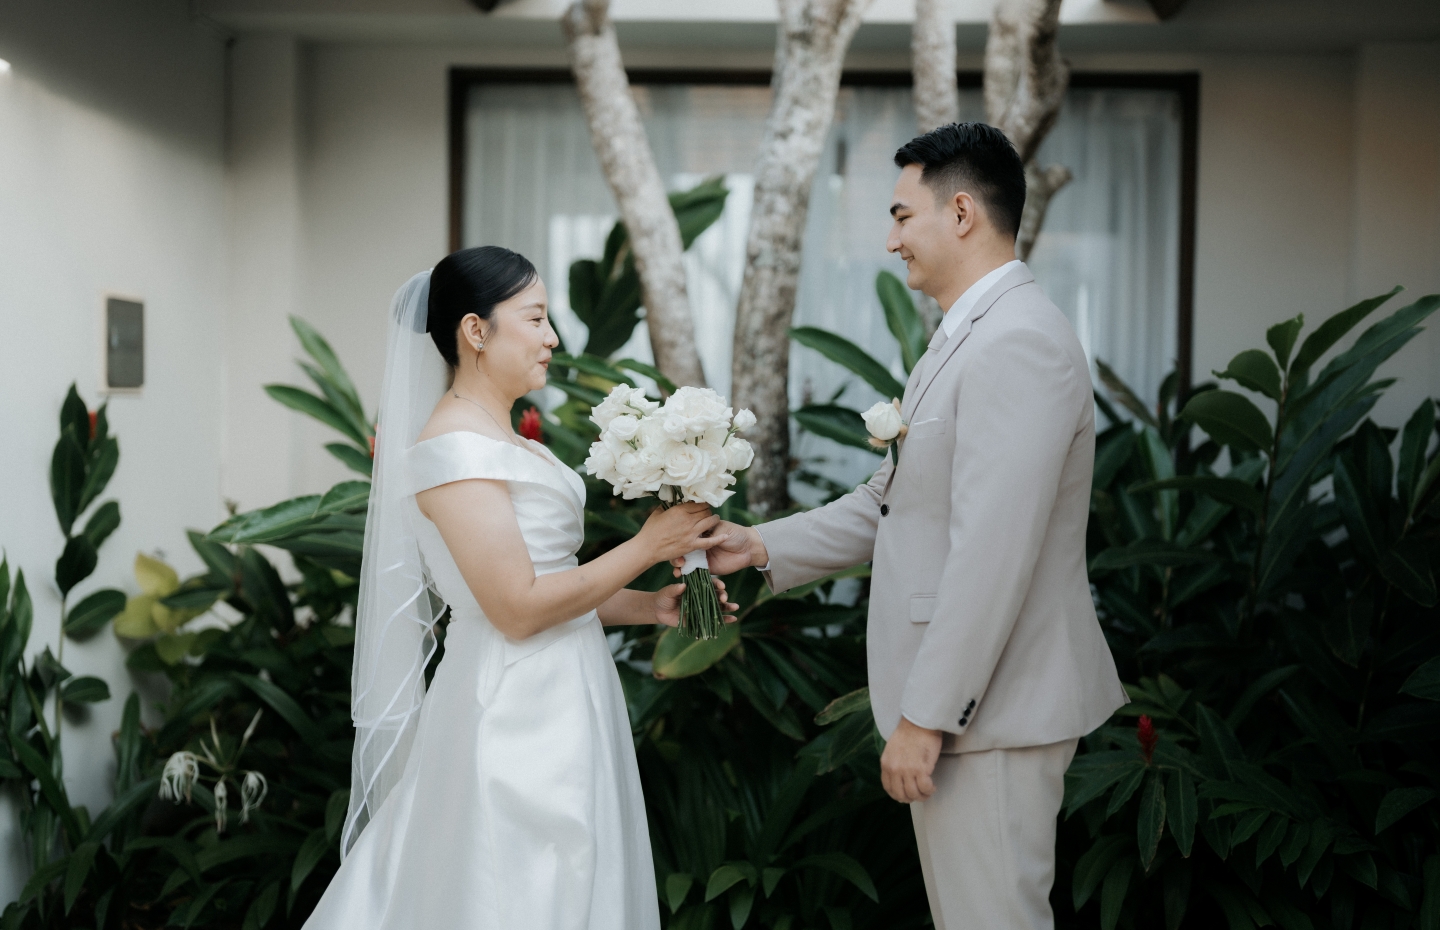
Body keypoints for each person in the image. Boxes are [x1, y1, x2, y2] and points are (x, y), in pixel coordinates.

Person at [696, 124, 1127, 929]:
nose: (890, 241)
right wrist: (759, 545)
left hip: (988, 713)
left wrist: (926, 717)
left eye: (900, 216)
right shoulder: (966, 337)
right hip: (977, 711)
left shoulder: (1016, 343)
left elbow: (992, 552)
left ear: (961, 212)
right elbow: (892, 501)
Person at [305, 247, 735, 929]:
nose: (552, 338)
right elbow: (515, 609)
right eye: (535, 319)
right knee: (519, 891)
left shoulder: (511, 442)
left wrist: (651, 605)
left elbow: (553, 583)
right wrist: (647, 547)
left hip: (569, 691)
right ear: (476, 331)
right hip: (513, 708)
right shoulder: (452, 450)